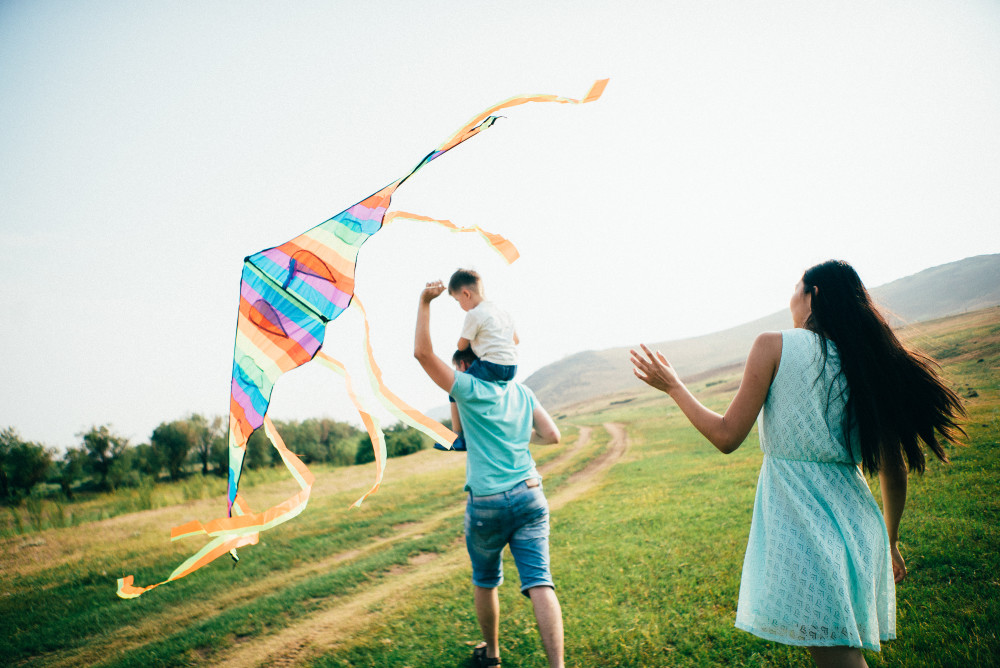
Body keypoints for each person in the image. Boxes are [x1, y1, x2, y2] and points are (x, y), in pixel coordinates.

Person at [629, 260, 965, 668]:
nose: (789, 298)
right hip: (859, 526)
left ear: (813, 295)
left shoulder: (773, 345)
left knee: (839, 658)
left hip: (805, 528)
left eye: (794, 288)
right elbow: (895, 468)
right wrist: (890, 541)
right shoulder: (866, 360)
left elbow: (726, 436)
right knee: (837, 653)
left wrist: (674, 387)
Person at [415, 279, 565, 668]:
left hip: (487, 503)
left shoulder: (467, 391)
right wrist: (518, 436)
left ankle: (492, 656)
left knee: (486, 580)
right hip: (530, 492)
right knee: (540, 581)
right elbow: (553, 435)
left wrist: (425, 302)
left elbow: (422, 353)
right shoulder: (522, 392)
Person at [449, 268, 519, 383]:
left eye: (458, 300)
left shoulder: (474, 314)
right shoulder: (502, 312)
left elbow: (461, 346)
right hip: (512, 367)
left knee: (456, 385)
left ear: (466, 294)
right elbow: (516, 340)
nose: (460, 305)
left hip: (492, 366)